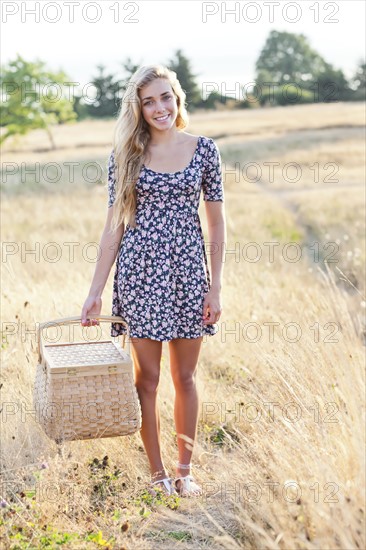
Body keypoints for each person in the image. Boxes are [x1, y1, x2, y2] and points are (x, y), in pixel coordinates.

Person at [81, 64, 226, 498]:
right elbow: (113, 229)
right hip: (139, 276)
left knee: (185, 377)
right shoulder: (125, 158)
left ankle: (185, 470)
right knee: (147, 380)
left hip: (187, 276)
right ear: (138, 110)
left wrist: (215, 285)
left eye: (165, 97)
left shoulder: (204, 150)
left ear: (177, 98)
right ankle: (157, 473)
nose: (159, 107)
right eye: (148, 102)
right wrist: (95, 292)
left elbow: (217, 225)